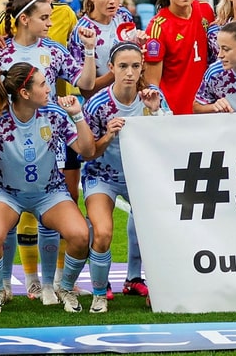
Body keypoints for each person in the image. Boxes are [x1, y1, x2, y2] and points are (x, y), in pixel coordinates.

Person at [0, 0, 96, 302]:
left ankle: (50, 283)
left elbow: (85, 83)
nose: (51, 23)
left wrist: (89, 50)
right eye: (44, 17)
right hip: (8, 138)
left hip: (48, 135)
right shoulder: (0, 51)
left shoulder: (54, 50)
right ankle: (12, 283)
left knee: (47, 203)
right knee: (9, 210)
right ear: (24, 19)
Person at [0, 63, 96, 315]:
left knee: (80, 235)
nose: (49, 88)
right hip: (7, 193)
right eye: (43, 84)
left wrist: (77, 115)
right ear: (25, 93)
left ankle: (64, 288)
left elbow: (87, 151)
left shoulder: (54, 114)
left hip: (50, 192)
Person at [83, 42, 169, 314]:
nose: (129, 73)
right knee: (103, 232)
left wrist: (155, 112)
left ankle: (152, 285)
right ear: (111, 68)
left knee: (156, 230)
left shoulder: (152, 97)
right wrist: (108, 135)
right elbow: (87, 152)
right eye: (123, 66)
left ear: (142, 66)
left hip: (141, 176)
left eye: (135, 66)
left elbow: (171, 139)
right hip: (102, 176)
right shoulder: (97, 104)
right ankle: (99, 292)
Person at [144, 0, 217, 116]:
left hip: (207, 111)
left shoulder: (206, 10)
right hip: (176, 114)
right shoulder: (157, 27)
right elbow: (152, 84)